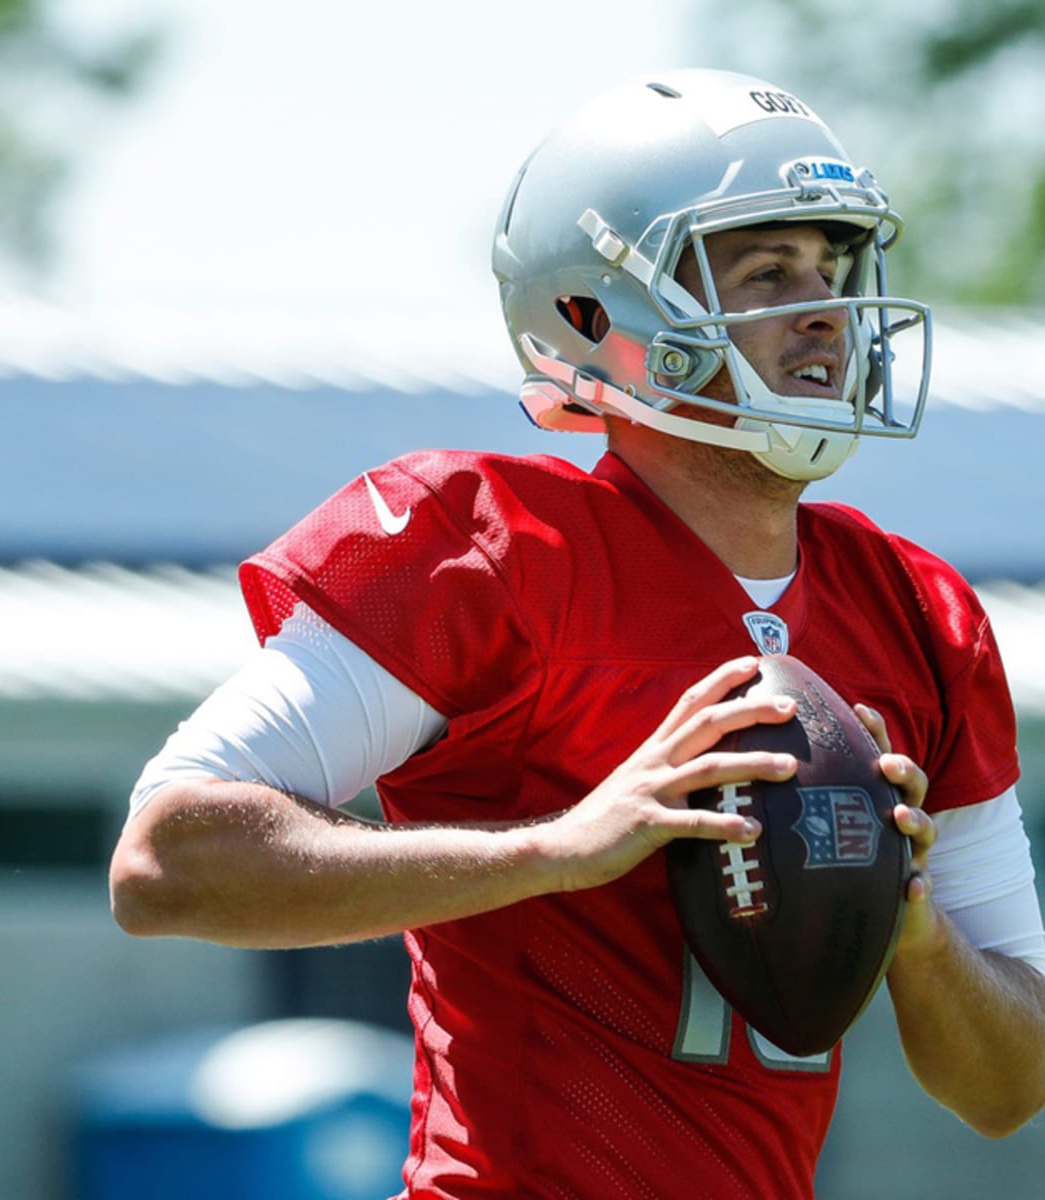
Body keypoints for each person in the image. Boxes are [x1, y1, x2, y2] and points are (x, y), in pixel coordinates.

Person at [110, 69, 1045, 1198]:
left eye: (832, 268)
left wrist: (921, 944)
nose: (825, 311)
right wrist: (557, 848)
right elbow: (165, 857)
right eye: (766, 269)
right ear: (601, 315)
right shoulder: (493, 553)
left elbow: (1009, 1090)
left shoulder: (916, 608)